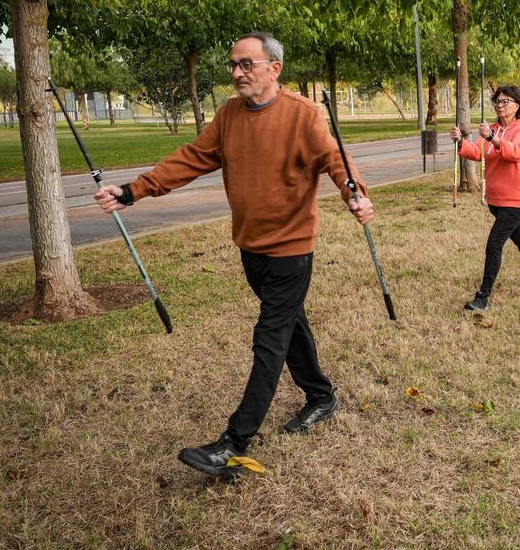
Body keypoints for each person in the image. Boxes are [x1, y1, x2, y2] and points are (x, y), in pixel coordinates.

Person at [93, 32, 374, 477]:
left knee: (270, 338)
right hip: (250, 247)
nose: (238, 72)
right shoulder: (228, 115)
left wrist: (352, 192)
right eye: (234, 65)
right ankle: (321, 396)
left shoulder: (304, 114)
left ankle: (233, 442)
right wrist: (132, 191)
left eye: (247, 64)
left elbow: (334, 160)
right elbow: (191, 159)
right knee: (289, 325)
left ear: (273, 68)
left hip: (291, 250)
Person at [451, 85, 520, 311]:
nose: (500, 105)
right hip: (496, 200)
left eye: (505, 101)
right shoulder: (492, 128)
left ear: (517, 105)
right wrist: (459, 142)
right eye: (497, 101)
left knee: (495, 243)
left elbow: (518, 152)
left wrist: (494, 138)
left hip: (518, 198)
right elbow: (477, 152)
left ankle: (482, 297)